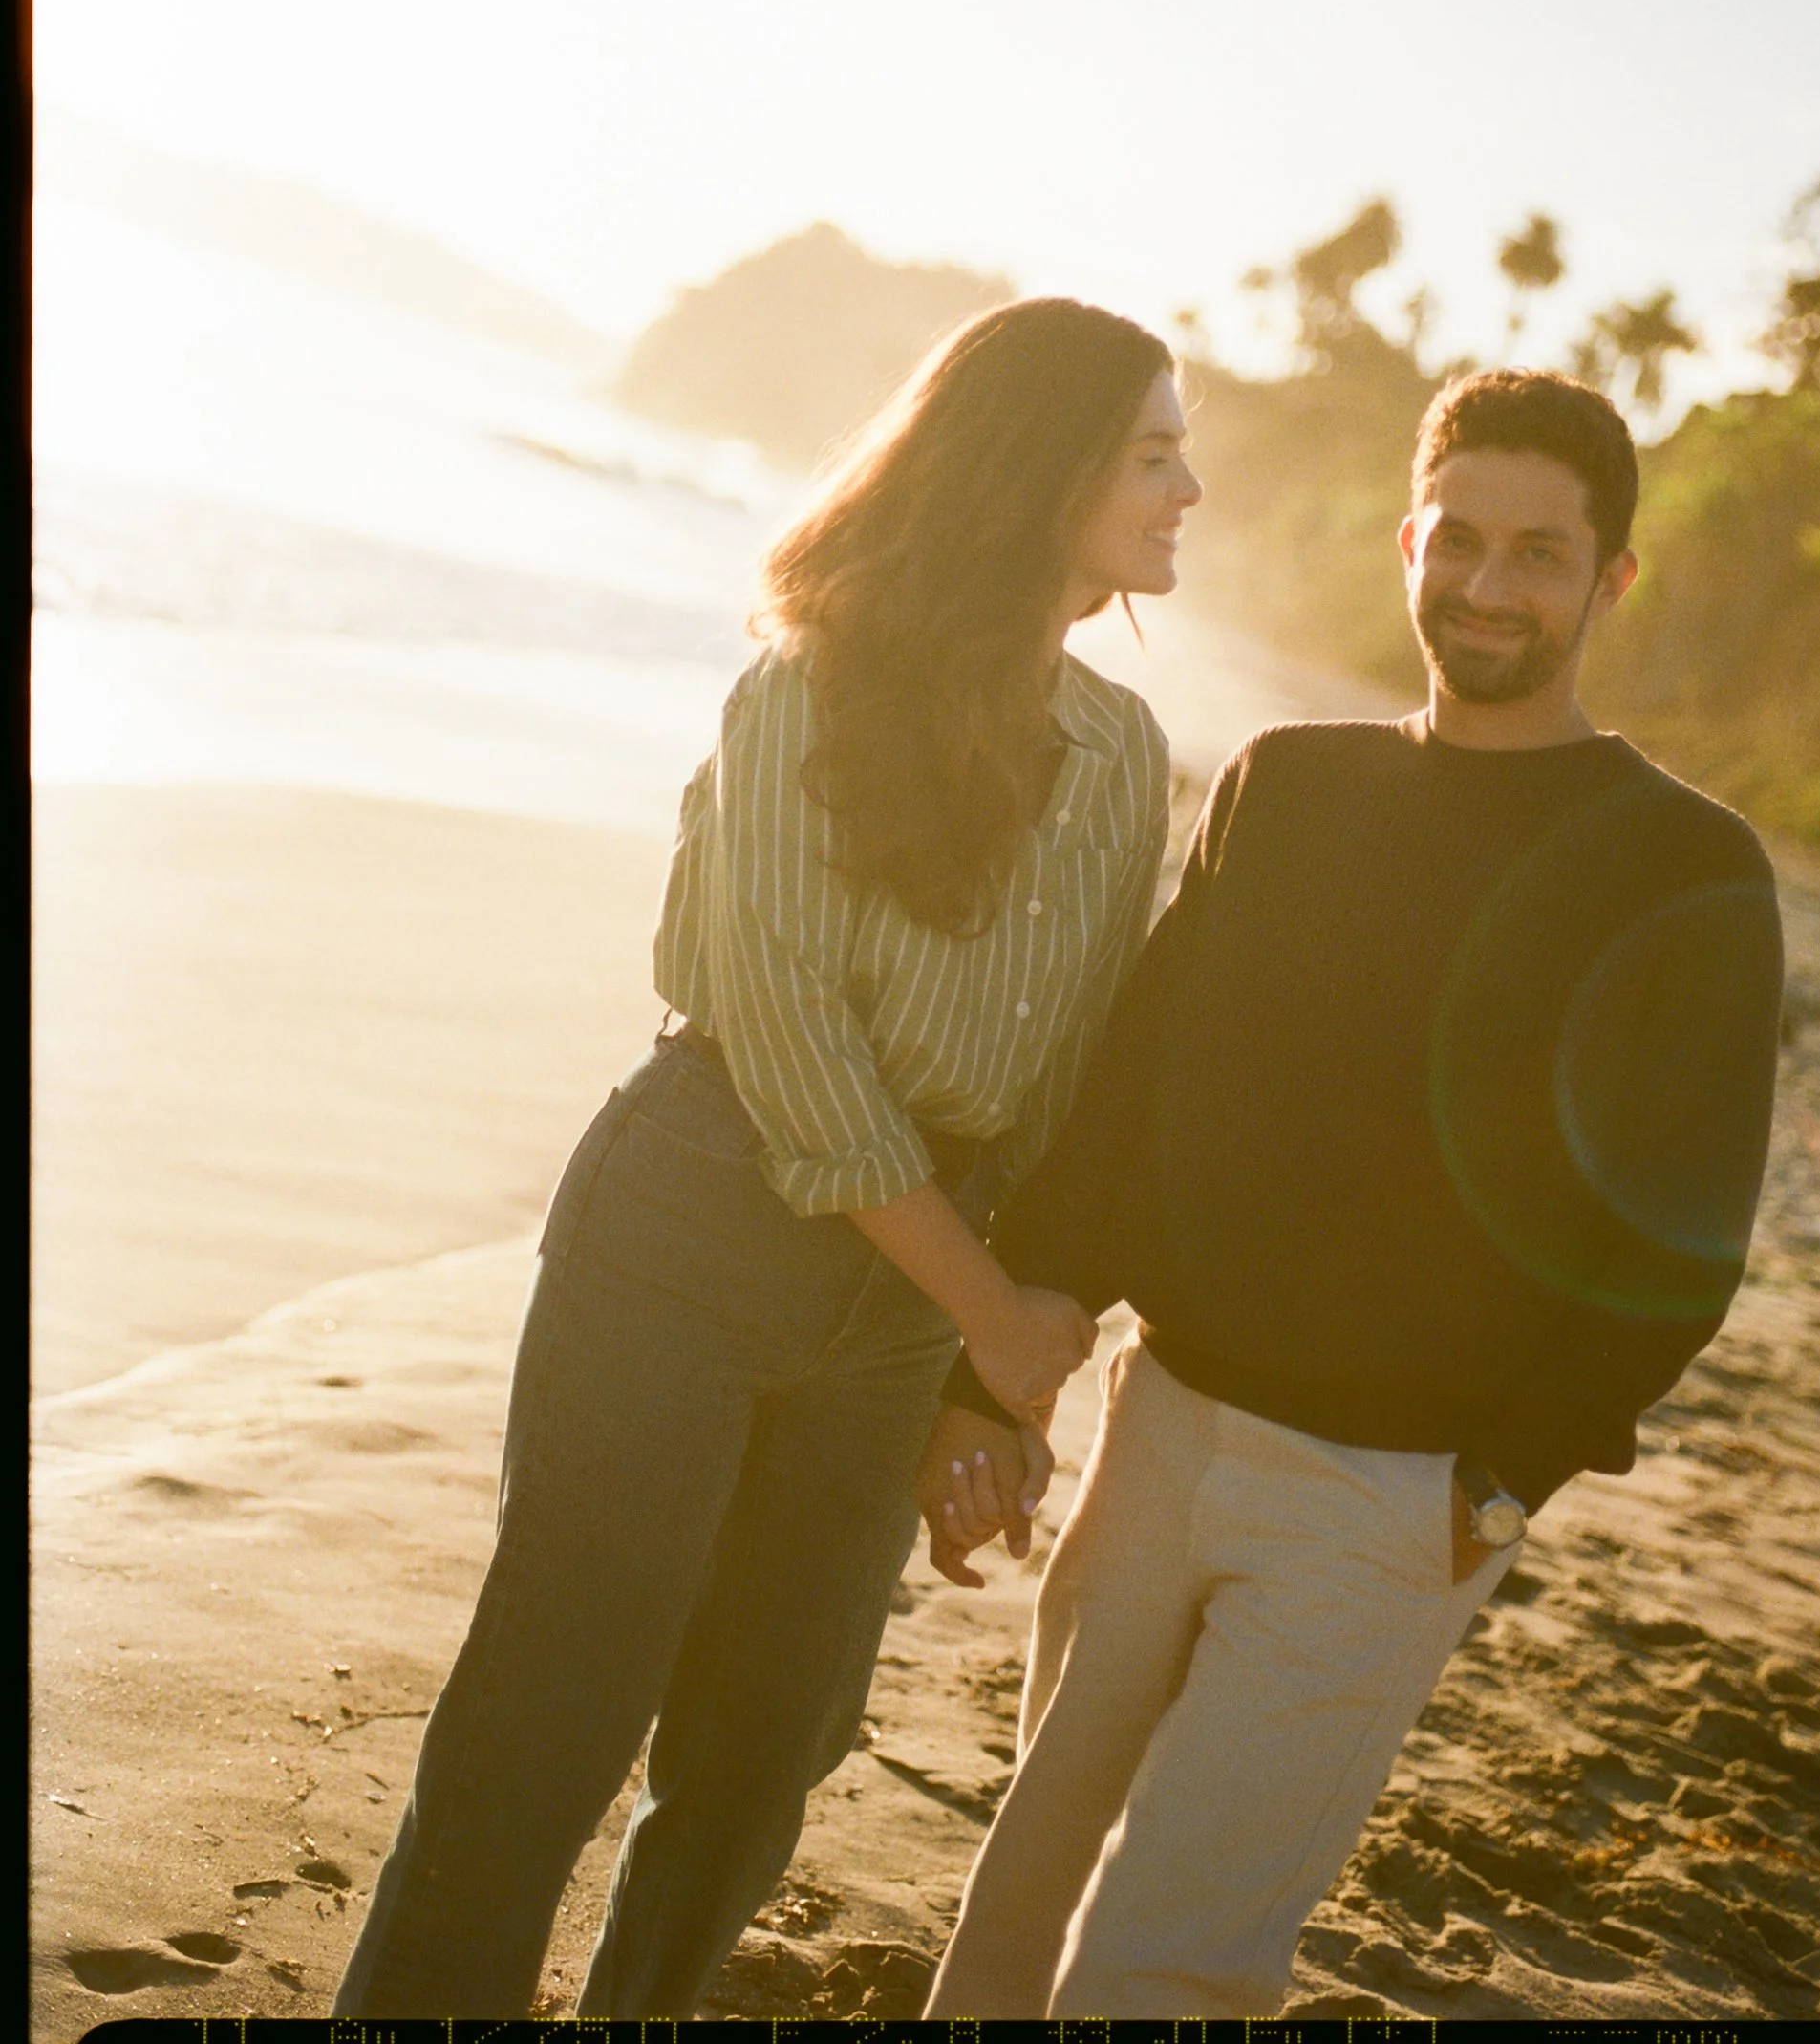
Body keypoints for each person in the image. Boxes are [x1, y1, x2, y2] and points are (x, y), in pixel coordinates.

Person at [332, 297, 1199, 2018]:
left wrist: (987, 1382)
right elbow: (800, 1061)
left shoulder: (1124, 759)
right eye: (1154, 455)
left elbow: (1066, 1088)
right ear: (1040, 473)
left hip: (901, 1296)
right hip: (694, 1221)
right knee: (553, 1713)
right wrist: (1001, 1323)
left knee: (767, 1748)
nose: (1190, 493)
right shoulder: (801, 693)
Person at [921, 366, 1785, 2021]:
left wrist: (1505, 1485)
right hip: (1161, 1429)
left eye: (1540, 554)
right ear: (1408, 540)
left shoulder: (1686, 868)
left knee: (1165, 1957)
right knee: (1019, 1890)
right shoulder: (1289, 784)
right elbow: (1132, 1096)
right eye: (1458, 539)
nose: (1486, 585)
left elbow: (1680, 1243)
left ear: (1611, 582)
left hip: (1389, 1505)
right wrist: (1002, 1361)